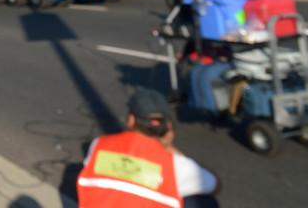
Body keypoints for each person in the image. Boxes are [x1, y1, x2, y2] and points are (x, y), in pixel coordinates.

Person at [77, 88, 221, 208]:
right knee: (205, 202)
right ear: (167, 125)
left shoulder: (99, 144)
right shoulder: (175, 165)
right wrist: (169, 147)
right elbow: (215, 185)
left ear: (131, 120)